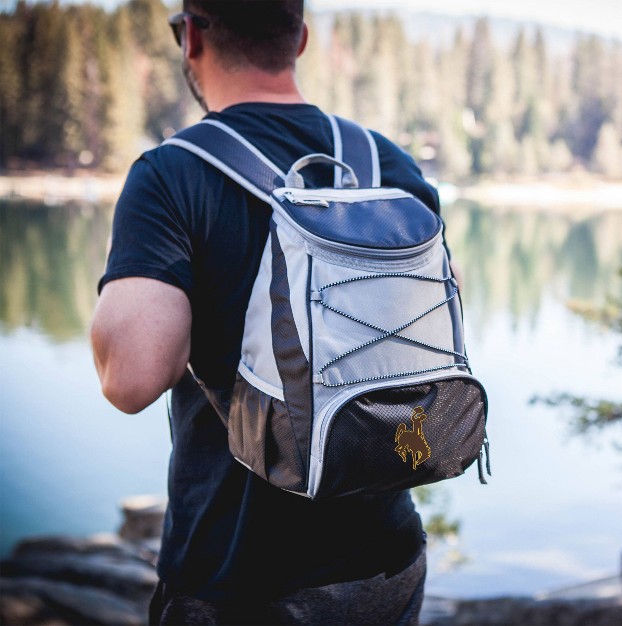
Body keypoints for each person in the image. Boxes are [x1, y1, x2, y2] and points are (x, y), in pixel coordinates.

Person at [91, 1, 444, 623]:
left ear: (192, 35)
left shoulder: (172, 174)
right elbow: (442, 316)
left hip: (239, 578)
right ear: (300, 39)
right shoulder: (385, 162)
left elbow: (131, 378)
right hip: (385, 559)